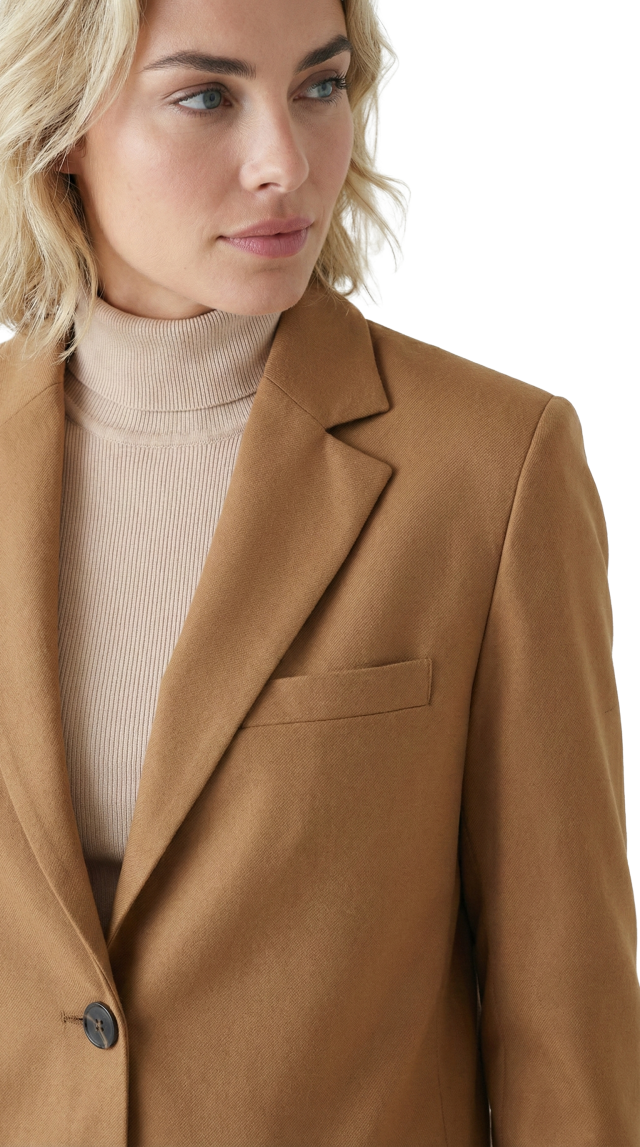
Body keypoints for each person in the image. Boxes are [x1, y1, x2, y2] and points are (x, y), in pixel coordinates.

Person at [0, 0, 638, 1143]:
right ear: (60, 127)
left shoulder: (488, 470)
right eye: (207, 96)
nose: (285, 164)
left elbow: (566, 1019)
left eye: (319, 86)